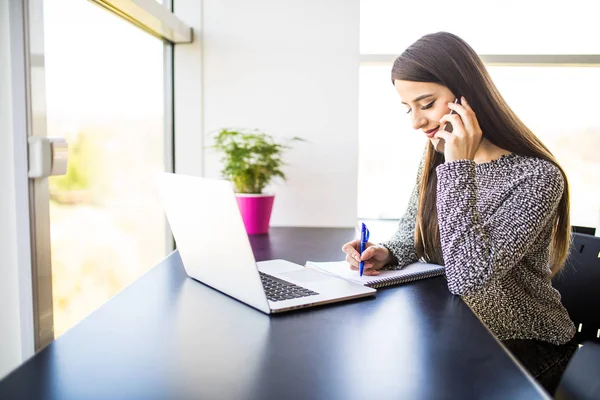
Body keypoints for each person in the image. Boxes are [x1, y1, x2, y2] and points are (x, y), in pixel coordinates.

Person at [342, 32, 577, 394]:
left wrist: (458, 166)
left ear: (467, 95)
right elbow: (413, 230)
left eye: (427, 103)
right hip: (457, 328)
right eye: (409, 108)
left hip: (524, 345)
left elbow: (468, 275)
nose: (416, 122)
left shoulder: (537, 177)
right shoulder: (437, 152)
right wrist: (386, 253)